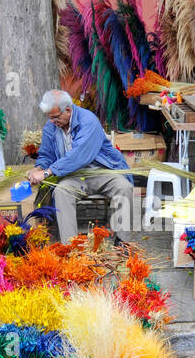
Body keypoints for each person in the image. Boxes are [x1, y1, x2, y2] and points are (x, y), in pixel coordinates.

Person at [28, 89, 134, 243]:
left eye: (55, 117)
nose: (52, 121)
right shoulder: (51, 127)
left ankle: (123, 241)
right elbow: (46, 155)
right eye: (49, 117)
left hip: (100, 171)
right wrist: (39, 168)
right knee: (61, 192)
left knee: (124, 187)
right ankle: (71, 245)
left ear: (68, 110)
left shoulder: (88, 121)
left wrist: (47, 172)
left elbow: (79, 155)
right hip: (73, 176)